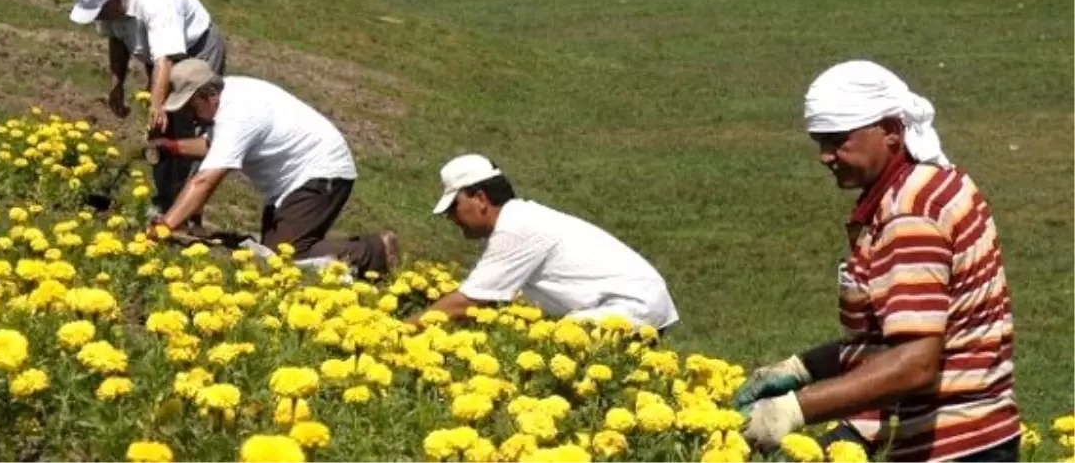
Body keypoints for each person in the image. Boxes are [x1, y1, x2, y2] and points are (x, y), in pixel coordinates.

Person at [736, 60, 1019, 462]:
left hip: (952, 449)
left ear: (890, 130)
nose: (825, 156)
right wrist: (804, 367)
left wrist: (794, 409)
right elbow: (907, 331)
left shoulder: (910, 214)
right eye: (819, 141)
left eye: (837, 140)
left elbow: (915, 363)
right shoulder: (935, 183)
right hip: (984, 437)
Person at [145, 59, 400, 276]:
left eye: (191, 106)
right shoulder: (229, 95)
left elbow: (205, 181)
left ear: (207, 95)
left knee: (285, 258)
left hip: (323, 172)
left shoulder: (237, 114)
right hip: (295, 180)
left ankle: (376, 250)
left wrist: (164, 227)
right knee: (273, 251)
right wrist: (174, 147)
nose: (189, 116)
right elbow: (216, 145)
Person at [406, 154, 679, 332]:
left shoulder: (516, 228)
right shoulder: (518, 220)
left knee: (561, 345)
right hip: (637, 300)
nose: (451, 218)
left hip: (631, 305)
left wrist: (400, 331)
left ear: (479, 198)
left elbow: (469, 302)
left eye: (453, 207)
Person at [69, 0, 228, 232]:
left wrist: (158, 104)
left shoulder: (156, 1)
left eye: (101, 12)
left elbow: (165, 58)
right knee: (160, 132)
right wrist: (116, 85)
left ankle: (189, 217)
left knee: (190, 132)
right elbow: (117, 40)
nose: (98, 19)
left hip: (196, 51)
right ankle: (165, 204)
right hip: (159, 58)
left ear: (117, 0)